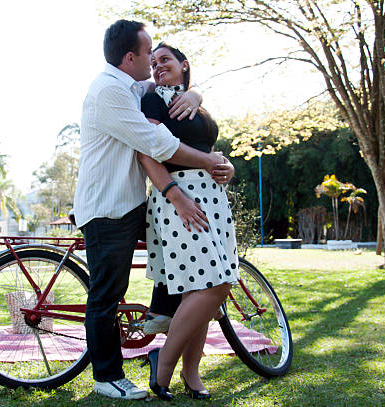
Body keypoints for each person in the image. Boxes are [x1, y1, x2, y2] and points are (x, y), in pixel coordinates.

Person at [73, 20, 228, 400]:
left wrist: (197, 95)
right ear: (131, 57)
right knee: (106, 294)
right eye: (148, 55)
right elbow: (156, 143)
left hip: (129, 204)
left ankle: (162, 315)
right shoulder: (110, 91)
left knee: (181, 273)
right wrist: (208, 163)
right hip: (107, 206)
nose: (153, 63)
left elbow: (173, 82)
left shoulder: (130, 85)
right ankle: (107, 377)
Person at [137, 42, 240, 401]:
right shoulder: (152, 99)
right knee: (216, 283)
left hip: (214, 200)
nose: (157, 65)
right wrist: (176, 198)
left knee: (201, 287)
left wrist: (226, 165)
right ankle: (162, 363)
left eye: (164, 59)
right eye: (153, 61)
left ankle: (191, 374)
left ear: (184, 64)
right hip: (178, 199)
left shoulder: (196, 102)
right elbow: (148, 153)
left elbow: (210, 153)